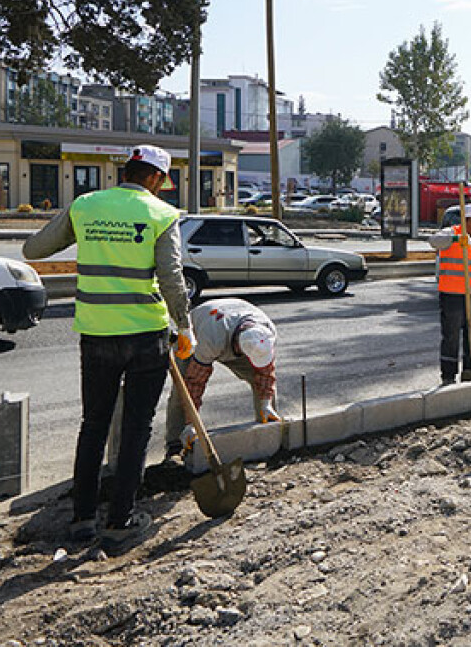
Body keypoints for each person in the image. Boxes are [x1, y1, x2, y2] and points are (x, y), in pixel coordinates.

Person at [24, 145, 192, 553]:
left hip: (96, 335)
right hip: (145, 337)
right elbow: (171, 278)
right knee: (136, 429)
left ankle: (82, 519)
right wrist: (184, 326)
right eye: (162, 182)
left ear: (127, 171)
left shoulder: (86, 206)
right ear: (155, 178)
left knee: (93, 425)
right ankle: (119, 522)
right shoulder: (160, 214)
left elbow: (33, 250)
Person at [165, 299, 280, 458]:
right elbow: (195, 383)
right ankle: (176, 445)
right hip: (197, 334)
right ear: (238, 347)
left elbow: (266, 373)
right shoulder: (210, 340)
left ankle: (267, 430)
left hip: (234, 327)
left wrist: (266, 402)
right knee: (182, 390)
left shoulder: (266, 334)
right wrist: (190, 423)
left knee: (262, 383)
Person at [429, 204, 471, 385]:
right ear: (470, 221)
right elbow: (433, 241)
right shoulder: (452, 233)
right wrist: (456, 239)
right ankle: (448, 375)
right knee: (451, 335)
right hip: (452, 295)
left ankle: (470, 368)